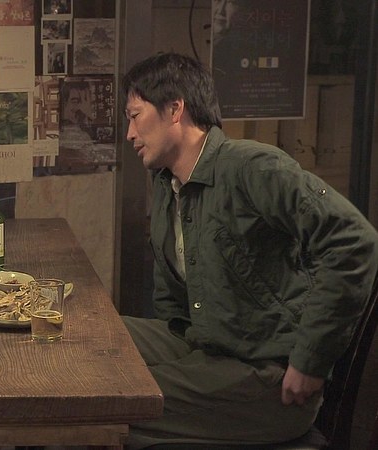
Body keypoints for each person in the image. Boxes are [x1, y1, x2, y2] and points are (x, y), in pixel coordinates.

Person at [121, 52, 378, 448]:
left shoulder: (251, 167)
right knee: (88, 340)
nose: (130, 134)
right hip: (200, 340)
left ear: (174, 110)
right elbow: (173, 302)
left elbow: (353, 241)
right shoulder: (168, 184)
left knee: (104, 399)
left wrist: (310, 361)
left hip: (265, 372)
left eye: (135, 116)